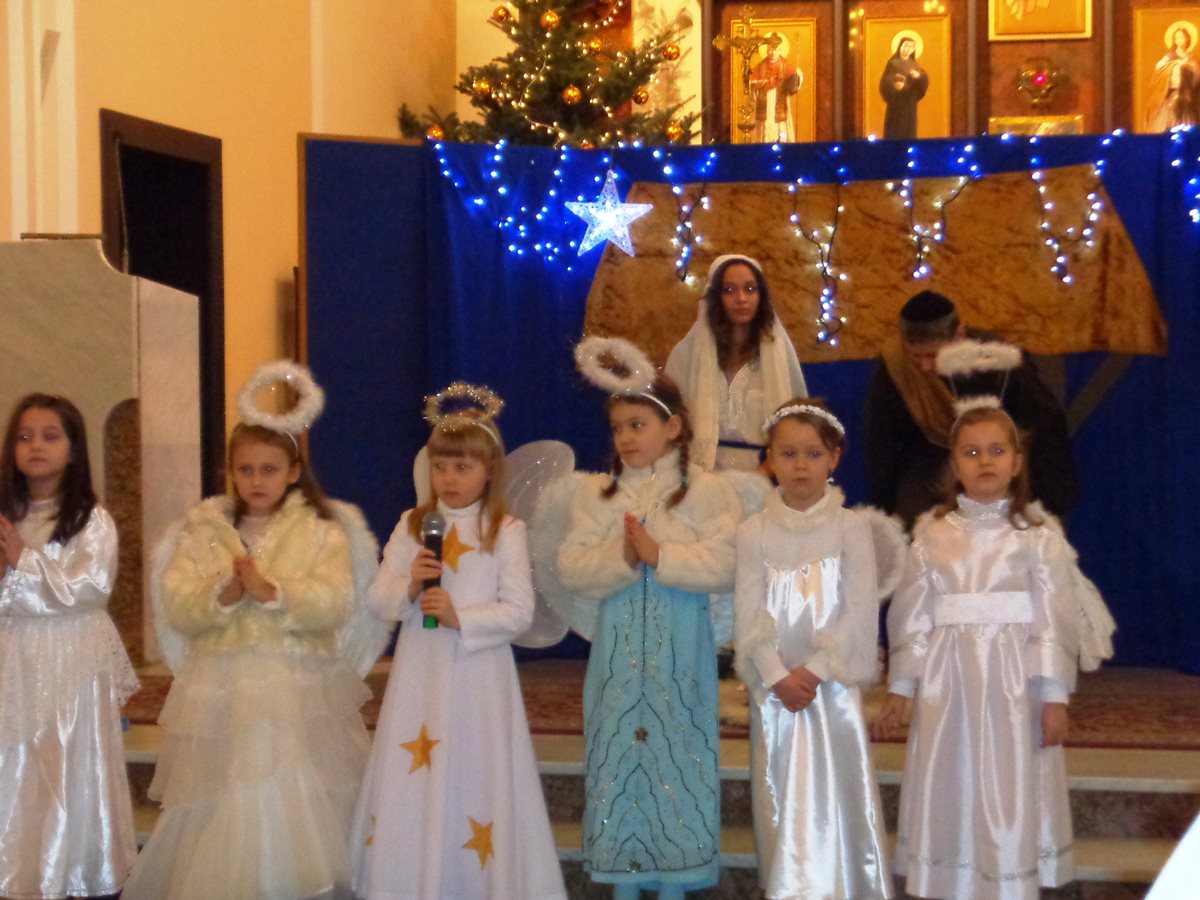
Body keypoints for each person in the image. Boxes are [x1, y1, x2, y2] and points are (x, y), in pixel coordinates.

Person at [125, 362, 382, 900]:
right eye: (246, 470)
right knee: (227, 785)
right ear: (231, 473)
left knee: (285, 782)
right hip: (222, 681)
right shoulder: (205, 530)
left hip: (293, 681)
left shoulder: (322, 533)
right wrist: (221, 595)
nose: (257, 480)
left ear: (293, 472)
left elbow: (335, 602)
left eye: (269, 469)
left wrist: (274, 592)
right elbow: (177, 600)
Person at [872, 402, 1114, 899]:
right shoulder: (932, 537)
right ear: (954, 466)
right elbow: (912, 614)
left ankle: (1010, 875)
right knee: (952, 774)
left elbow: (1054, 619)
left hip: (1015, 683)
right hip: (949, 681)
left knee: (1010, 778)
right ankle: (952, 875)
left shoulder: (1038, 539)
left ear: (1017, 462)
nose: (985, 461)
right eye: (972, 452)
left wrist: (1054, 698)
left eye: (997, 451)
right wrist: (902, 686)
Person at [349, 385, 565, 899]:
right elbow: (378, 599)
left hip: (478, 676)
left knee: (474, 769)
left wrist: (459, 617)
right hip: (420, 673)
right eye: (441, 466)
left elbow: (518, 611)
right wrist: (411, 587)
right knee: (417, 773)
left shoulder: (504, 529)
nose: (449, 478)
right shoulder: (414, 524)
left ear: (489, 470)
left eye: (462, 467)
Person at [558, 340, 742, 899]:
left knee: (677, 751)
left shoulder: (707, 492)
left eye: (637, 425)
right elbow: (571, 567)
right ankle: (624, 877)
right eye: (618, 428)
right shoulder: (598, 494)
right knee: (616, 753)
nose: (626, 438)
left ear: (674, 427)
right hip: (617, 657)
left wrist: (663, 555)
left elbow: (729, 562)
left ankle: (675, 879)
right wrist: (620, 557)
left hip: (680, 653)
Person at [734, 398, 899, 900]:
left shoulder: (850, 528)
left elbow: (859, 609)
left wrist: (816, 670)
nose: (800, 465)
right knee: (780, 792)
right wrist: (776, 673)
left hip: (831, 689)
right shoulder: (753, 531)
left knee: (838, 791)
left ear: (834, 458)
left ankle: (850, 886)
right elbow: (747, 610)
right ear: (770, 459)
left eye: (812, 454)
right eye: (787, 454)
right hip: (775, 690)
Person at [0, 393, 138, 899]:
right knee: (14, 758)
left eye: (50, 436)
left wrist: (23, 560)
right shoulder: (6, 515)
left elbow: (88, 588)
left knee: (65, 760)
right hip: (13, 656)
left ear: (74, 448)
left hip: (71, 657)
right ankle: (17, 870)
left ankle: (74, 870)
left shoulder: (90, 520)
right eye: (24, 436)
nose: (35, 445)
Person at [863, 289, 1077, 528]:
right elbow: (881, 445)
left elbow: (1044, 427)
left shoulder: (997, 359)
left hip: (995, 463)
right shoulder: (896, 366)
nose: (925, 367)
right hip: (929, 473)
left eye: (934, 355)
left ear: (960, 335)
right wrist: (883, 515)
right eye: (916, 357)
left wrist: (1050, 502)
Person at [666, 254, 807, 475]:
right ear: (716, 298)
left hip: (766, 479)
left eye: (750, 289)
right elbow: (668, 427)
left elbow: (796, 427)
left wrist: (759, 481)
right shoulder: (685, 356)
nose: (741, 298)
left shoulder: (777, 358)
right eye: (729, 290)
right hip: (698, 479)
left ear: (761, 295)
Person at [1146, 25, 1200, 131]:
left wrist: (1192, 67)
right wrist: (1178, 64)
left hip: (1190, 98)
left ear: (1188, 39)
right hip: (1174, 96)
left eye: (1182, 37)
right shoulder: (1170, 57)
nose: (1180, 40)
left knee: (1190, 125)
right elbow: (1160, 67)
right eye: (1177, 38)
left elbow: (1197, 77)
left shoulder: (1193, 58)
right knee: (1172, 123)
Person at [750, 32, 802, 143]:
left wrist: (797, 77)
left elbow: (792, 86)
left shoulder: (786, 65)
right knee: (763, 134)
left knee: (780, 132)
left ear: (779, 50)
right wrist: (759, 84)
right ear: (766, 51)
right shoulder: (760, 66)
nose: (772, 52)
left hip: (779, 101)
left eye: (774, 50)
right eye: (769, 50)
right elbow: (753, 81)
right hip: (764, 101)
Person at [880, 35, 928, 140]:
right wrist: (894, 85)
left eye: (911, 47)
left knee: (909, 131)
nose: (908, 49)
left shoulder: (915, 65)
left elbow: (923, 81)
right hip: (897, 103)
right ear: (900, 46)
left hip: (910, 103)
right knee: (895, 130)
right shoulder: (893, 63)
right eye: (906, 46)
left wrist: (918, 77)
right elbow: (885, 81)